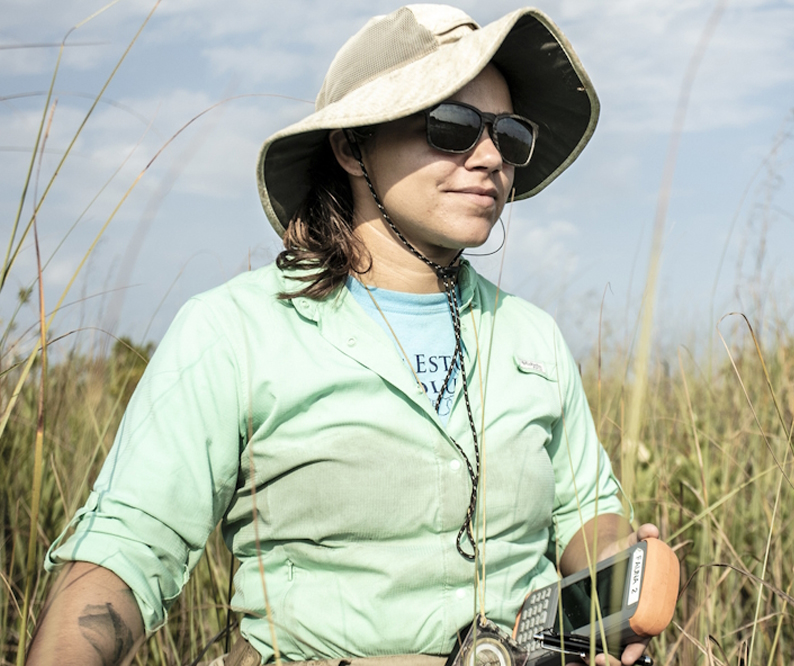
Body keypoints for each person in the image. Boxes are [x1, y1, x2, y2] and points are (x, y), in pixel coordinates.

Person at [26, 6, 668, 666]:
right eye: (450, 126)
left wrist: (620, 565)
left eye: (510, 136)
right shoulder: (233, 332)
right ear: (351, 145)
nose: (488, 158)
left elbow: (586, 513)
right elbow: (127, 550)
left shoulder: (533, 339)